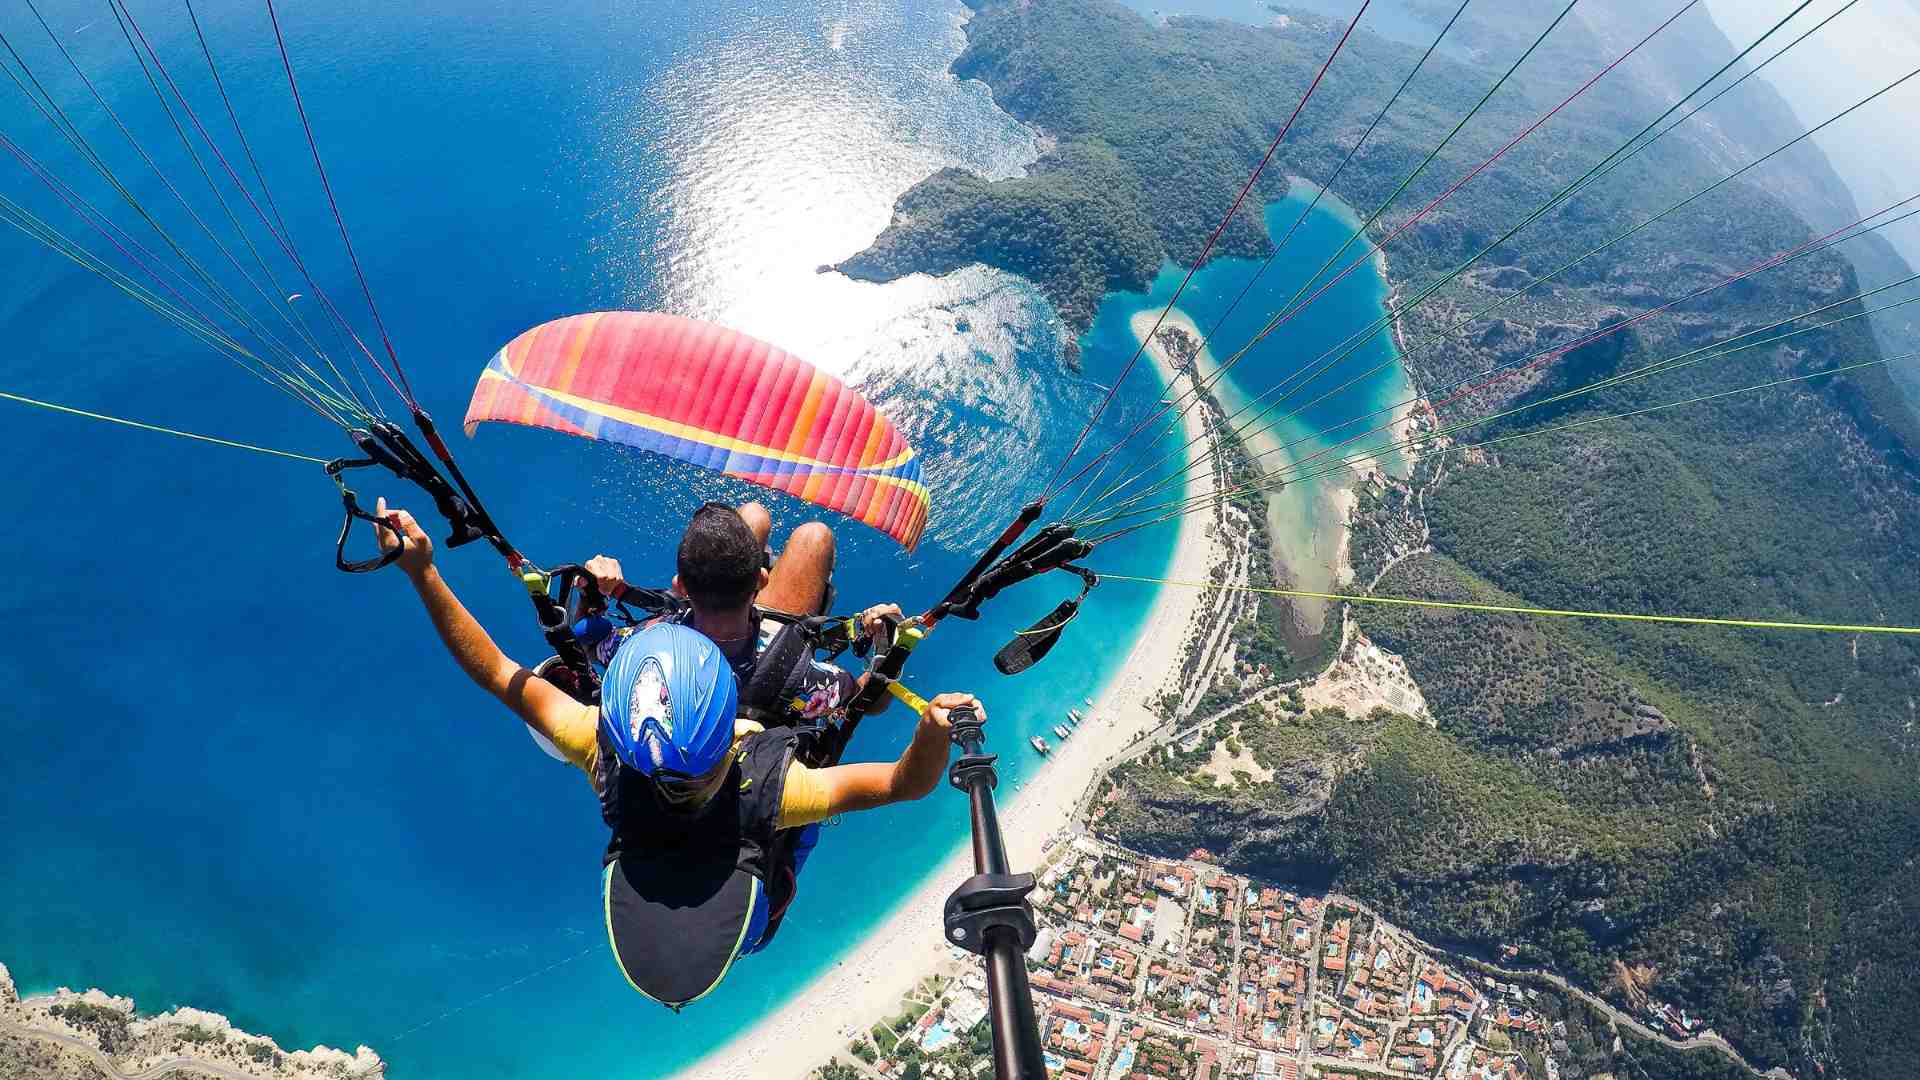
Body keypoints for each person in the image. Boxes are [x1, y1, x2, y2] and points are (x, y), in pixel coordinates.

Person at [373, 498, 982, 1008]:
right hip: (744, 900)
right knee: (808, 536)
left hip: (699, 902)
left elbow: (497, 671)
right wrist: (920, 713)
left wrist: (422, 571)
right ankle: (759, 558)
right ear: (732, 724)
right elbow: (901, 776)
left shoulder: (605, 747)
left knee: (750, 518)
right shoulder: (778, 788)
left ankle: (748, 548)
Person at [574, 501, 900, 736]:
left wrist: (591, 590)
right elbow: (865, 701)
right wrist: (888, 644)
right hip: (771, 662)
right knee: (814, 536)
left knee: (752, 516)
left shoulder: (644, 641)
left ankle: (725, 567)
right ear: (761, 580)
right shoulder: (805, 681)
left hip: (727, 654)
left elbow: (590, 644)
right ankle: (736, 569)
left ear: (681, 586)